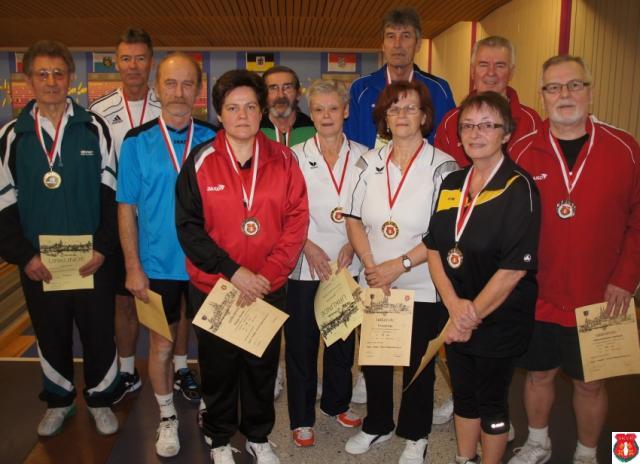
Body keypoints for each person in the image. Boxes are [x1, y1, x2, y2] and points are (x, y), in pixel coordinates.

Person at [509, 55, 640, 464]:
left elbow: (638, 221)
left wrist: (626, 278)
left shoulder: (625, 149)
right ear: (542, 95)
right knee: (538, 375)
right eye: (553, 87)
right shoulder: (521, 150)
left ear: (589, 89)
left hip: (602, 296)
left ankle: (586, 452)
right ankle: (538, 441)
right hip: (538, 293)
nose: (564, 95)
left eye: (574, 85)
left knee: (591, 384)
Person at [175, 69, 309, 464]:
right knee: (218, 369)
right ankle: (218, 438)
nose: (243, 115)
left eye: (251, 106)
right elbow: (189, 228)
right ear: (219, 114)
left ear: (262, 110)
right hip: (216, 286)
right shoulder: (200, 162)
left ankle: (257, 436)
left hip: (267, 287)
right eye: (233, 107)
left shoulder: (284, 160)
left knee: (261, 367)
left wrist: (267, 276)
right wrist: (234, 272)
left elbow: (296, 221)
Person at [0, 40, 122, 436]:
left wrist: (104, 247)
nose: (51, 81)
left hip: (92, 260)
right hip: (41, 262)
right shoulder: (11, 136)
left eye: (58, 73)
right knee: (49, 332)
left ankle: (101, 399)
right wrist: (24, 256)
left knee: (100, 331)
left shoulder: (93, 128)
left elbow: (111, 195)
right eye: (42, 74)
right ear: (28, 80)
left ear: (71, 78)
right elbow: (3, 206)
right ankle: (59, 400)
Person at [343, 80, 457, 463]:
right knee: (374, 358)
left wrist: (401, 264)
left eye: (411, 108)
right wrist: (373, 267)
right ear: (384, 119)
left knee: (417, 365)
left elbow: (443, 231)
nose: (402, 115)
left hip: (424, 283)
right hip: (376, 280)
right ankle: (377, 424)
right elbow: (354, 220)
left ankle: (416, 433)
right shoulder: (368, 163)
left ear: (425, 117)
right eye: (394, 109)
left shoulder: (444, 166)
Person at [425, 92, 540, 464]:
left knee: (491, 401)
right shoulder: (452, 183)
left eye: (487, 125)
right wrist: (454, 307)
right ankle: (464, 459)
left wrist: (470, 315)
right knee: (463, 394)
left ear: (506, 133)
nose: (476, 133)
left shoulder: (518, 188)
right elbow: (434, 249)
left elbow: (513, 269)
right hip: (457, 314)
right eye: (469, 126)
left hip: (498, 318)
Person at [89, 29, 199, 402]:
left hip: (184, 236)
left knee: (181, 310)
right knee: (126, 303)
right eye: (126, 58)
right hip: (131, 223)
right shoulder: (100, 112)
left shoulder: (182, 117)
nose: (133, 65)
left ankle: (182, 368)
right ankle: (125, 371)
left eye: (140, 58)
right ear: (117, 62)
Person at [116, 52, 216, 458]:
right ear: (158, 89)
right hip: (157, 266)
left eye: (187, 84)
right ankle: (167, 417)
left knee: (211, 345)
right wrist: (132, 267)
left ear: (198, 90)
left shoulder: (214, 138)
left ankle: (212, 411)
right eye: (171, 84)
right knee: (160, 345)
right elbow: (126, 207)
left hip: (206, 265)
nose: (178, 92)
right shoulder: (137, 141)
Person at [285, 79, 368, 447]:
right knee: (301, 344)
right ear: (311, 113)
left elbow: (371, 210)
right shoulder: (293, 156)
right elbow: (282, 211)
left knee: (342, 339)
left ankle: (336, 402)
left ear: (346, 110)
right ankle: (302, 418)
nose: (326, 116)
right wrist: (305, 245)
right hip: (305, 262)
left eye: (333, 108)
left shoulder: (366, 157)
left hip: (346, 265)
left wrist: (354, 243)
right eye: (318, 109)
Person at [344, 7, 455, 149]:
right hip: (372, 169)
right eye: (391, 36)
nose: (397, 44)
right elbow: (351, 145)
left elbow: (449, 143)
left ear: (418, 44)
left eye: (406, 36)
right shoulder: (360, 89)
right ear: (383, 45)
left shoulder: (439, 90)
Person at [435, 35, 542, 167]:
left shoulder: (531, 123)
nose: (491, 73)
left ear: (511, 72)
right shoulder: (450, 122)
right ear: (473, 71)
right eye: (483, 65)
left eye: (500, 66)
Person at [260, 65, 316, 148]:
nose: (281, 95)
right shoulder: (255, 130)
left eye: (287, 87)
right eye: (273, 88)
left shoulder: (314, 129)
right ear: (263, 95)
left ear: (298, 93)